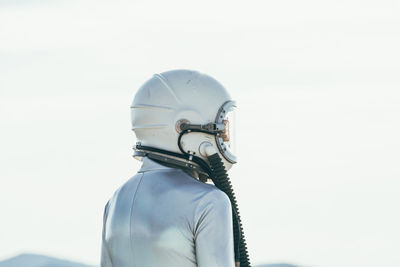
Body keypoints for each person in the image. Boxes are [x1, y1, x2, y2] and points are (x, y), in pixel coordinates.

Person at [100, 70, 251, 267]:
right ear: (183, 126)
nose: (224, 137)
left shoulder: (116, 201)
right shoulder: (209, 201)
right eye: (220, 127)